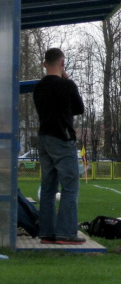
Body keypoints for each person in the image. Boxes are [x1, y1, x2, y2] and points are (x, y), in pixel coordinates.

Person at [33, 48, 85, 245]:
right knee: (70, 187)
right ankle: (66, 233)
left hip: (43, 137)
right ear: (62, 63)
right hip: (62, 138)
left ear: (44, 64)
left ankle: (46, 232)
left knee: (48, 187)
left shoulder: (38, 87)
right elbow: (79, 108)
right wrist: (68, 81)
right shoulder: (67, 85)